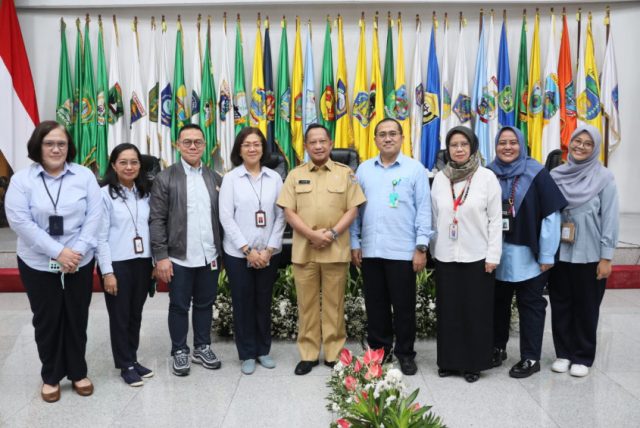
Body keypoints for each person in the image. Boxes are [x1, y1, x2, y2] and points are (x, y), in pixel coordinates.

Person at [5, 121, 102, 402]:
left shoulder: (84, 176)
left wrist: (76, 252)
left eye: (61, 143)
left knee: (76, 317)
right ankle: (51, 375)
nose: (56, 149)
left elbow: (94, 218)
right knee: (46, 320)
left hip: (79, 261)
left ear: (69, 147)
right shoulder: (22, 180)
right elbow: (20, 222)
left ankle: (78, 372)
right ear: (38, 146)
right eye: (49, 143)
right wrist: (58, 252)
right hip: (37, 261)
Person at [277, 123, 366, 375]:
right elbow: (288, 211)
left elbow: (353, 209)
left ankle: (334, 354)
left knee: (334, 305)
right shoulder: (295, 175)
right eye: (312, 142)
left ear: (330, 144)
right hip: (305, 249)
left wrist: (333, 233)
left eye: (322, 141)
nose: (317, 146)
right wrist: (311, 234)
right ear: (305, 146)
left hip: (335, 248)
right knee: (306, 305)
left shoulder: (345, 172)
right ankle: (308, 354)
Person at [350, 118, 433, 376]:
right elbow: (355, 210)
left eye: (393, 134)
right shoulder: (364, 170)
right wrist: (354, 242)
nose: (388, 138)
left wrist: (421, 247)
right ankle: (379, 353)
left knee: (404, 307)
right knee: (375, 307)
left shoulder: (415, 169)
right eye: (382, 134)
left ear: (402, 138)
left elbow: (424, 210)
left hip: (403, 251)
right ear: (375, 139)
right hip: (372, 251)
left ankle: (405, 354)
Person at [487, 126, 567, 378]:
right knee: (496, 305)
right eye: (502, 142)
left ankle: (530, 358)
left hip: (529, 256)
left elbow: (551, 216)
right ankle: (496, 347)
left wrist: (546, 254)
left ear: (522, 145)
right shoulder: (488, 173)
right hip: (495, 255)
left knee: (530, 306)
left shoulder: (537, 173)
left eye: (513, 142)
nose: (507, 147)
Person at [149, 124, 223, 376]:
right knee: (179, 306)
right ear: (177, 145)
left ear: (204, 145)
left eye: (198, 142)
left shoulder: (215, 177)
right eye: (187, 142)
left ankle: (202, 346)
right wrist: (161, 257)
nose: (193, 146)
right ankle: (179, 350)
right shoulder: (165, 178)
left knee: (205, 304)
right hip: (178, 257)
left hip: (209, 255)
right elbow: (156, 220)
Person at [430, 126, 502, 382]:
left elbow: (495, 220)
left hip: (478, 256)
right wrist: (433, 251)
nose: (458, 149)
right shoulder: (440, 178)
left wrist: (493, 255)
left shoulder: (486, 177)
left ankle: (473, 363)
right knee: (448, 311)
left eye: (463, 144)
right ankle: (449, 361)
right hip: (446, 256)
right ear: (447, 149)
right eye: (453, 145)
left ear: (472, 147)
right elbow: (435, 217)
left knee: (475, 312)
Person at [548, 125, 619, 377]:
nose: (581, 146)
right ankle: (564, 353)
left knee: (587, 306)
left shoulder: (604, 178)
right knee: (560, 303)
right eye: (577, 141)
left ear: (595, 148)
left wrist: (606, 257)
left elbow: (610, 218)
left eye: (588, 143)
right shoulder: (556, 175)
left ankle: (582, 355)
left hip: (590, 255)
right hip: (559, 252)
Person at [219, 127, 286, 375]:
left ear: (263, 148)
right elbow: (226, 217)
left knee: (263, 301)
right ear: (239, 149)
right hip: (239, 254)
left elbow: (281, 216)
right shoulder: (231, 179)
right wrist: (248, 250)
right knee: (243, 302)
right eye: (247, 144)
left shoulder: (274, 178)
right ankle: (247, 352)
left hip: (269, 252)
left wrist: (269, 249)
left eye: (257, 144)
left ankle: (263, 350)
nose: (252, 148)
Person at [96, 143, 154, 387]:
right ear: (113, 165)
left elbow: (152, 228)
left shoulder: (145, 192)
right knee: (120, 316)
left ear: (140, 165)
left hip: (142, 263)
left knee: (135, 315)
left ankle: (132, 357)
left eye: (134, 162)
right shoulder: (104, 194)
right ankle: (125, 365)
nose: (129, 167)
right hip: (117, 264)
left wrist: (152, 261)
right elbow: (100, 237)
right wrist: (107, 272)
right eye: (123, 162)